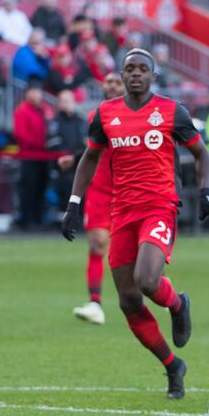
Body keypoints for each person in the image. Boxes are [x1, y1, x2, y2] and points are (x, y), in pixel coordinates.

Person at [61, 49, 209, 399]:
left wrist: (206, 191)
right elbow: (89, 158)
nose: (135, 74)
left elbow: (202, 155)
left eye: (142, 69)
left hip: (159, 206)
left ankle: (177, 304)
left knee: (147, 280)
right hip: (122, 211)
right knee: (129, 300)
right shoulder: (105, 114)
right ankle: (173, 366)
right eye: (129, 68)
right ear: (122, 74)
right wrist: (73, 203)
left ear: (153, 75)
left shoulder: (172, 111)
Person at [70, 73, 124, 325]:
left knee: (138, 250)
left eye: (117, 82)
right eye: (108, 81)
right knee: (97, 244)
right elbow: (93, 149)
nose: (111, 85)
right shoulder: (96, 116)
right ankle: (95, 303)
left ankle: (162, 290)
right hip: (100, 190)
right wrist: (74, 159)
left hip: (129, 190)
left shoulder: (139, 116)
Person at [15, 83, 51, 229]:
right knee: (29, 187)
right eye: (34, 91)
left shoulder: (43, 109)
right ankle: (28, 220)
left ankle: (38, 218)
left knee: (41, 187)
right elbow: (21, 134)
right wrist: (41, 144)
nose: (37, 95)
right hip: (29, 155)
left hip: (43, 156)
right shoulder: (22, 111)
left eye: (38, 92)